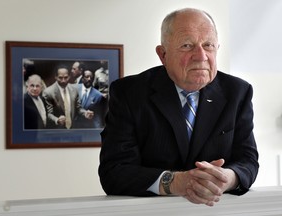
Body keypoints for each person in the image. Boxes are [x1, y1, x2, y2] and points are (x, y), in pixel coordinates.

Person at [98, 8, 259, 207]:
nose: (201, 56)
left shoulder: (238, 92)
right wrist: (175, 182)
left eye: (208, 45)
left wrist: (224, 178)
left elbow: (248, 162)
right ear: (163, 54)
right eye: (187, 45)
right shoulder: (130, 93)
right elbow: (114, 172)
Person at [42, 64, 94, 129]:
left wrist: (85, 113)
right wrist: (57, 120)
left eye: (66, 77)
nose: (63, 80)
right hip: (57, 131)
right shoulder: (48, 92)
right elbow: (48, 114)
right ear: (56, 77)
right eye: (60, 78)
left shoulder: (74, 89)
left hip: (73, 129)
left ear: (69, 76)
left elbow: (78, 108)